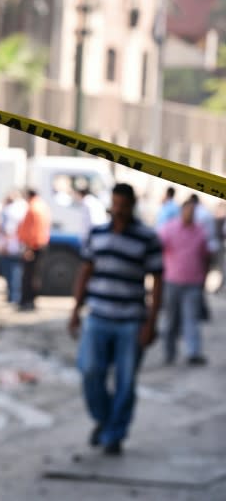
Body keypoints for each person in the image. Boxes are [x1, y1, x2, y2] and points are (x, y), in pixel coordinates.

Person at [68, 183, 163, 456]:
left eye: (124, 205)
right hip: (97, 316)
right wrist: (76, 310)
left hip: (131, 321)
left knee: (126, 381)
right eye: (116, 204)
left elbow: (158, 283)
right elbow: (85, 272)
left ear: (132, 205)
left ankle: (114, 434)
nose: (119, 210)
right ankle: (104, 419)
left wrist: (151, 323)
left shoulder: (147, 238)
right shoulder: (97, 234)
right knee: (90, 371)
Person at [158, 198, 210, 366]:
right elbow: (158, 250)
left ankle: (193, 352)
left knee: (191, 319)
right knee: (171, 320)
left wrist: (204, 278)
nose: (190, 214)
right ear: (182, 211)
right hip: (172, 281)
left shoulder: (200, 231)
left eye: (193, 211)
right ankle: (169, 352)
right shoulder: (169, 228)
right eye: (188, 210)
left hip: (193, 282)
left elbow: (205, 256)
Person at [16, 188, 51, 311]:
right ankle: (31, 300)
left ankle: (27, 301)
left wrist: (28, 248)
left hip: (33, 245)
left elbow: (31, 231)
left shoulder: (32, 208)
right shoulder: (42, 206)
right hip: (41, 244)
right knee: (35, 275)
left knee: (28, 276)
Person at [0, 191, 27, 304]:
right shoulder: (22, 208)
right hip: (18, 245)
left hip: (10, 246)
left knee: (10, 272)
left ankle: (13, 296)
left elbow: (8, 230)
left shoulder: (9, 211)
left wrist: (5, 245)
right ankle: (14, 295)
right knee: (16, 271)